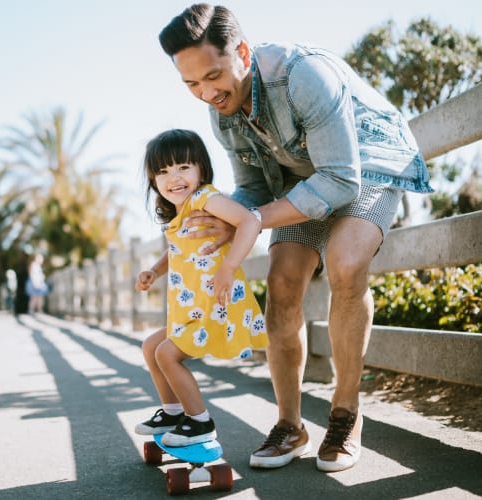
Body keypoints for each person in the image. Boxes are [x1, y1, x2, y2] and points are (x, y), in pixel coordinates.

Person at [159, 4, 433, 470]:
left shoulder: (303, 75)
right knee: (283, 282)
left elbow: (341, 181)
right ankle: (290, 425)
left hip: (367, 168)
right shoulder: (221, 112)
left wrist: (249, 219)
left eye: (213, 76)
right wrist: (232, 215)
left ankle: (346, 414)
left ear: (242, 52)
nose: (207, 93)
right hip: (300, 183)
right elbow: (254, 188)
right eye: (191, 85)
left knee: (346, 263)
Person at [134, 128, 268, 446]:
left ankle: (199, 422)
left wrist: (229, 267)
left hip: (216, 305)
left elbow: (250, 221)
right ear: (153, 180)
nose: (174, 178)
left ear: (201, 169)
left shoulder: (206, 198)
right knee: (151, 347)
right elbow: (179, 249)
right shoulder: (182, 212)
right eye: (163, 171)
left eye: (183, 167)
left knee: (167, 355)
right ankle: (172, 412)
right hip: (193, 308)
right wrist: (154, 270)